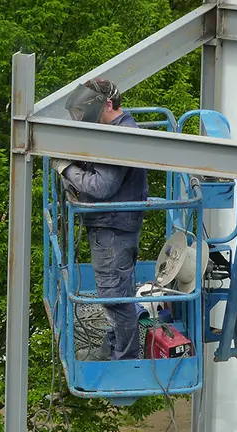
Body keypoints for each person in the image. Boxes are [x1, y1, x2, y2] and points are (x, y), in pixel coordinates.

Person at [51, 78, 148, 361]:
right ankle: (118, 343)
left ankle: (125, 359)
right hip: (116, 225)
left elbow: (101, 187)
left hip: (113, 228)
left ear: (107, 105)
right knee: (117, 292)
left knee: (114, 297)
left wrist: (66, 168)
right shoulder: (119, 131)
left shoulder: (119, 138)